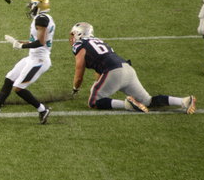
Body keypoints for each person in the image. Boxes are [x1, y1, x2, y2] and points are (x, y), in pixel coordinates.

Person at [68, 22, 196, 113]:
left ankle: (127, 104)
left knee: (94, 102)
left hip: (114, 72)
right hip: (127, 69)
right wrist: (98, 84)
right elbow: (100, 67)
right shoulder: (98, 41)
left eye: (73, 34)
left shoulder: (80, 45)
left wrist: (75, 89)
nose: (72, 37)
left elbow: (79, 72)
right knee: (147, 101)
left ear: (79, 34)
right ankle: (183, 101)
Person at [0, 0, 54, 124]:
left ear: (38, 6)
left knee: (18, 88)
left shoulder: (41, 19)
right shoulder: (44, 18)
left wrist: (21, 46)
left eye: (32, 5)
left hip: (39, 60)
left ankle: (43, 109)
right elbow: (36, 40)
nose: (30, 8)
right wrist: (20, 42)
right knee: (9, 79)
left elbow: (41, 42)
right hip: (33, 57)